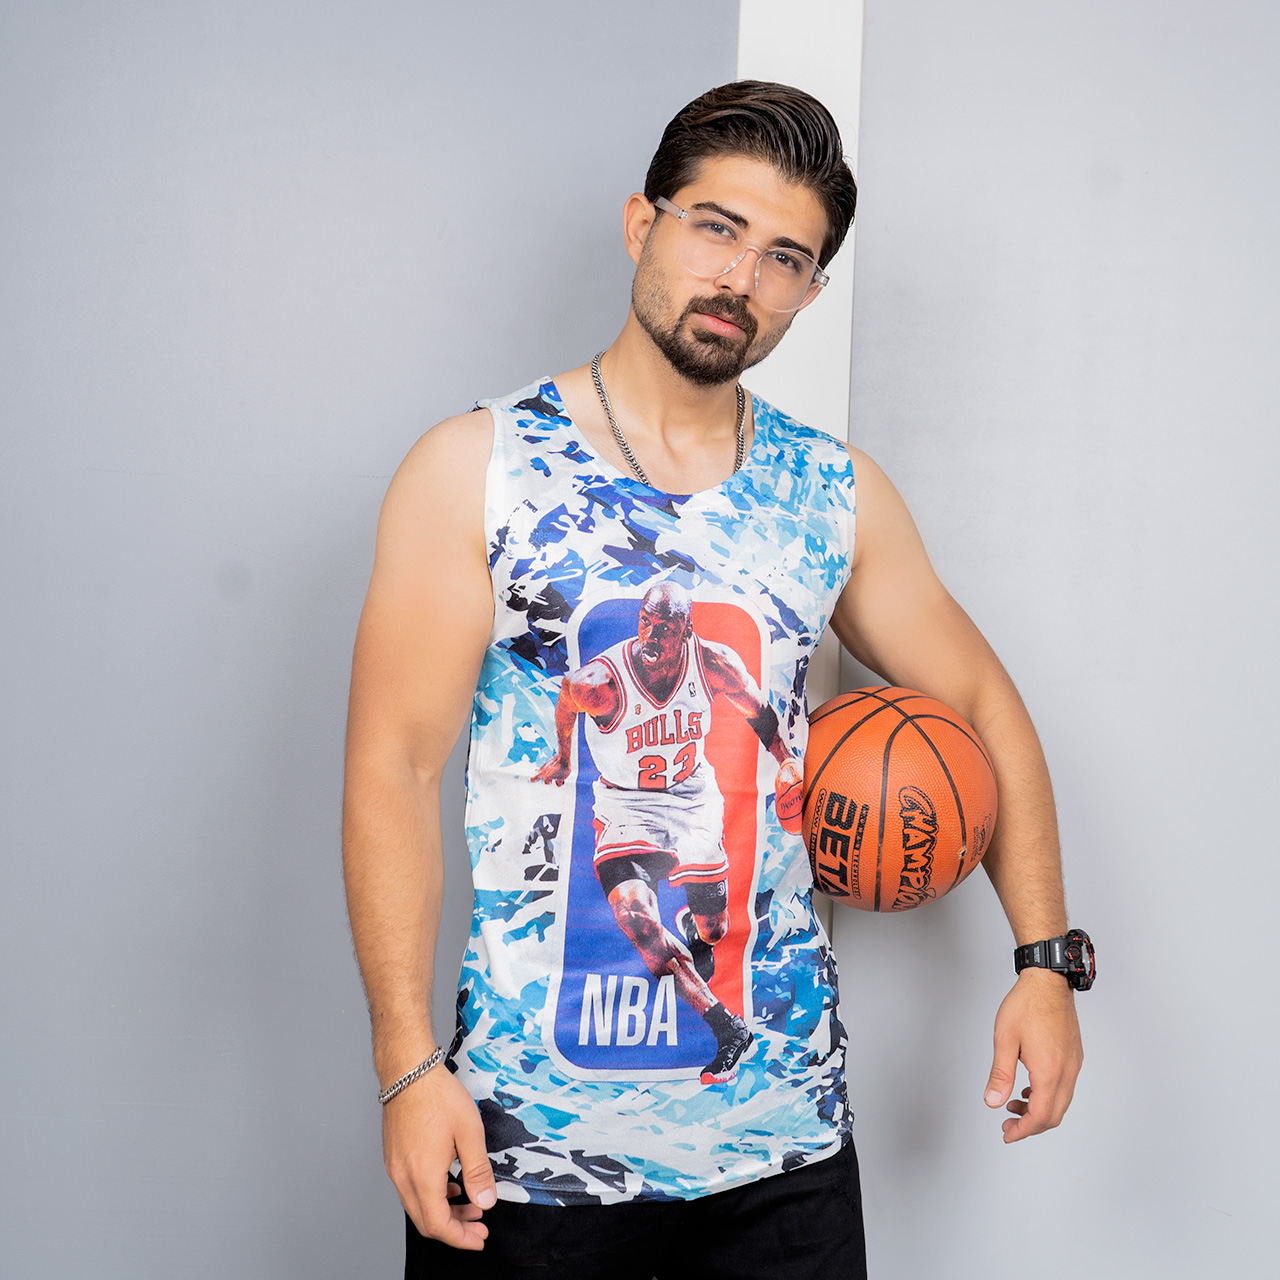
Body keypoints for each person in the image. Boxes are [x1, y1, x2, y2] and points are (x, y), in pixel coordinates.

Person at [342, 80, 1085, 1279]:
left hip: (780, 1150)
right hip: (527, 1144)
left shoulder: (830, 494)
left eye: (784, 257)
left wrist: (1044, 961)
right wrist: (406, 1064)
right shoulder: (479, 468)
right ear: (642, 223)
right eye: (716, 227)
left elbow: (982, 704)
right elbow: (395, 763)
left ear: (810, 291)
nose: (740, 277)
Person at [533, 578, 805, 1085]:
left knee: (715, 931)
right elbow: (567, 699)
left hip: (692, 799)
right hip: (626, 805)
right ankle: (727, 1028)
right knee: (635, 918)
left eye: (665, 628)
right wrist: (564, 756)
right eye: (646, 623)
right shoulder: (601, 682)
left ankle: (692, 935)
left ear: (687, 631)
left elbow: (759, 712)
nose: (652, 637)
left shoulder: (713, 663)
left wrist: (787, 761)